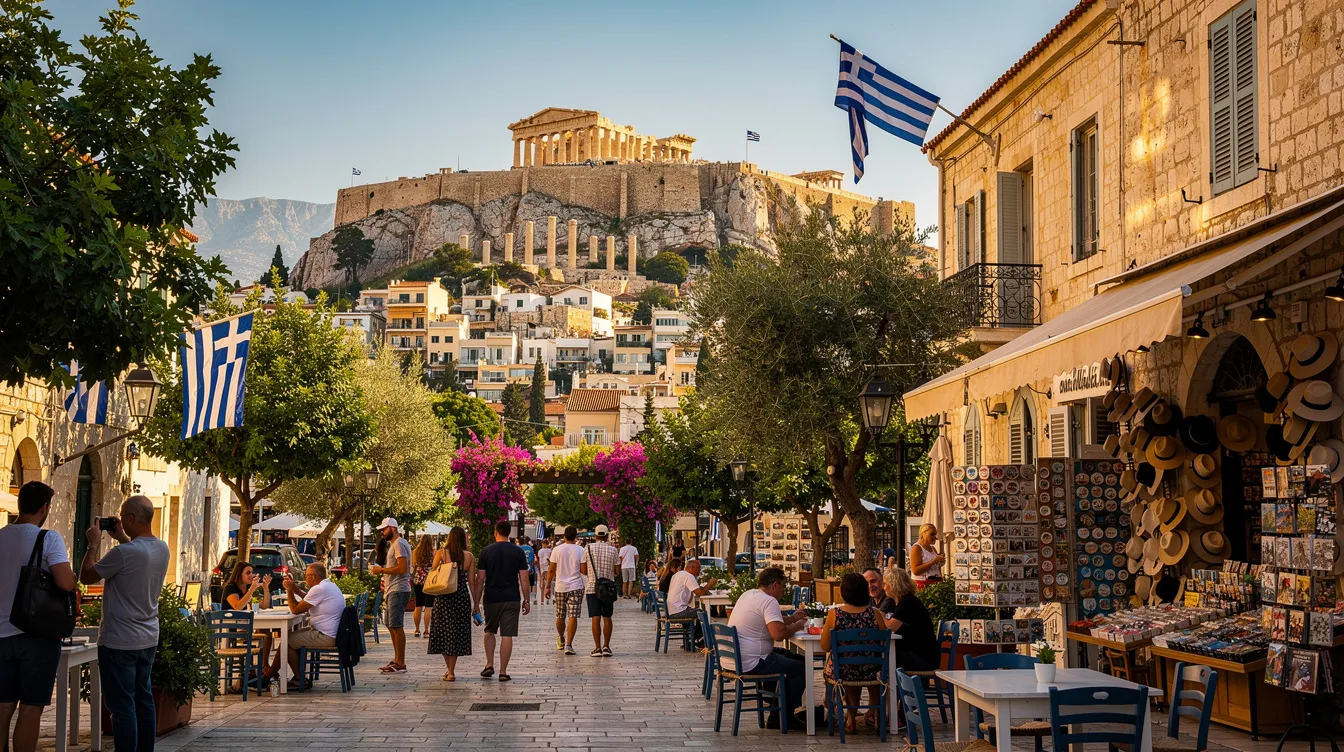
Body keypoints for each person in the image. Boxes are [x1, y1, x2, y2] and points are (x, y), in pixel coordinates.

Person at [80, 495, 169, 752]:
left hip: (119, 640)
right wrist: (121, 537)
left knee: (122, 706)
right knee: (144, 699)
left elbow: (87, 576)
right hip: (148, 637)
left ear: (130, 518)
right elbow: (138, 556)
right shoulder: (162, 548)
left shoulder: (122, 553)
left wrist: (93, 545)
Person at [0, 482, 76, 752]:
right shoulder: (48, 538)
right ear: (44, 508)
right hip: (36, 636)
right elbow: (65, 583)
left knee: (2, 708)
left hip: (1, 635)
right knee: (30, 709)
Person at [727, 566, 812, 729]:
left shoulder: (749, 595)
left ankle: (776, 708)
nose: (783, 590)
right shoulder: (769, 601)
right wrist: (798, 625)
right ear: (775, 585)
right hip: (754, 660)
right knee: (803, 667)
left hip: (737, 656)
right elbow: (778, 634)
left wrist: (792, 618)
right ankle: (784, 716)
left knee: (795, 658)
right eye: (783, 586)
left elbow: (772, 620)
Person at [821, 573, 889, 733]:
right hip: (872, 670)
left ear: (844, 592)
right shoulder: (875, 614)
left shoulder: (835, 614)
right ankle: (876, 713)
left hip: (844, 672)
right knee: (863, 663)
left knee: (845, 663)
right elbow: (885, 639)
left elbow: (824, 646)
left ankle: (850, 718)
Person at [267, 562, 344, 689]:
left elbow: (295, 609)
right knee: (289, 638)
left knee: (287, 640)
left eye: (306, 575)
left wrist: (290, 590)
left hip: (325, 636)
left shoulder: (319, 589)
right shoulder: (328, 586)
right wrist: (294, 587)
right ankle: (274, 674)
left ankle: (295, 678)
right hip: (332, 633)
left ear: (314, 576)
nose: (305, 578)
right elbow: (307, 598)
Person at [476, 520, 530, 681]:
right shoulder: (518, 552)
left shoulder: (486, 551)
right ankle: (503, 671)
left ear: (496, 531)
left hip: (491, 597)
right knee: (507, 634)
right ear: (509, 533)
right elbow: (524, 578)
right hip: (512, 597)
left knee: (489, 630)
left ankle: (489, 664)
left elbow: (480, 579)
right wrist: (526, 599)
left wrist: (476, 602)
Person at [428, 527, 476, 681]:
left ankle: (449, 670)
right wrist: (475, 602)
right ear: (464, 539)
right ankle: (451, 670)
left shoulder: (442, 553)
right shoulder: (469, 556)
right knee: (455, 633)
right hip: (461, 597)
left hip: (444, 596)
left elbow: (433, 570)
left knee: (442, 632)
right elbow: (472, 581)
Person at [368, 518, 411, 673]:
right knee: (390, 624)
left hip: (398, 589)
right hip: (393, 589)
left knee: (397, 625)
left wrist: (382, 570)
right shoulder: (396, 544)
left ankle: (401, 662)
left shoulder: (399, 544)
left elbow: (402, 568)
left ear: (392, 528)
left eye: (384, 529)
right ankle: (397, 659)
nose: (381, 532)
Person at [221, 563, 274, 677]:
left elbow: (264, 605)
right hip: (232, 630)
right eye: (248, 573)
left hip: (244, 627)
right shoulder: (231, 588)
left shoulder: (246, 589)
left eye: (252, 572)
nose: (251, 575)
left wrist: (265, 588)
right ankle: (257, 669)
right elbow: (237, 606)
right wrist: (251, 590)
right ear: (239, 575)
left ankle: (263, 666)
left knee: (265, 631)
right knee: (266, 635)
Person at [882, 567, 938, 670]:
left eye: (885, 584)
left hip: (921, 658)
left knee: (883, 656)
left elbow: (890, 627)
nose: (884, 588)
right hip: (919, 654)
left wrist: (879, 614)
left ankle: (888, 685)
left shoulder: (907, 602)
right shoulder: (904, 601)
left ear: (894, 584)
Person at [581, 525, 620, 656]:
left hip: (593, 587)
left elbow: (583, 570)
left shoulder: (587, 548)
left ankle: (597, 648)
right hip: (608, 588)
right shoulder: (613, 550)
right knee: (607, 617)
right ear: (607, 535)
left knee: (595, 617)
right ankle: (606, 647)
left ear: (596, 535)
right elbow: (617, 571)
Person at [546, 526, 584, 655]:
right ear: (576, 537)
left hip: (560, 587)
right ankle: (569, 644)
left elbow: (551, 569)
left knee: (560, 614)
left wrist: (546, 586)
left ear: (564, 536)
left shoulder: (557, 550)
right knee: (573, 615)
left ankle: (561, 637)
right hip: (576, 586)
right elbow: (583, 570)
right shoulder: (581, 550)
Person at [666, 558, 716, 645]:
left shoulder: (678, 574)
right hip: (678, 611)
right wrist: (710, 584)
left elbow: (691, 595)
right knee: (702, 613)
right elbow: (699, 593)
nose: (699, 571)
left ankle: (691, 640)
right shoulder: (688, 576)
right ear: (692, 568)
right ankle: (700, 640)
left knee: (693, 609)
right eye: (698, 568)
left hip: (671, 609)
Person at [410, 536, 435, 638]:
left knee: (418, 605)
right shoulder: (433, 552)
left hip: (417, 579)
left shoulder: (415, 551)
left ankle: (416, 630)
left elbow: (412, 564)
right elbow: (435, 565)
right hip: (429, 581)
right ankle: (426, 631)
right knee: (428, 606)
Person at [518, 536, 536, 605]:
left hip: (521, 569)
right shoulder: (530, 548)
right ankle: (530, 597)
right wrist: (531, 567)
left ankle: (523, 596)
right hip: (529, 568)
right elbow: (532, 559)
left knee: (522, 582)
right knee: (530, 583)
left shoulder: (518, 548)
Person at [535, 538, 553, 605]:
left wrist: (539, 570)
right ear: (547, 544)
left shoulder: (540, 551)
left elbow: (538, 560)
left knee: (542, 584)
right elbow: (551, 560)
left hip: (541, 568)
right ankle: (548, 598)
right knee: (548, 584)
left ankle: (542, 599)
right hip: (548, 568)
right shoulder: (550, 550)